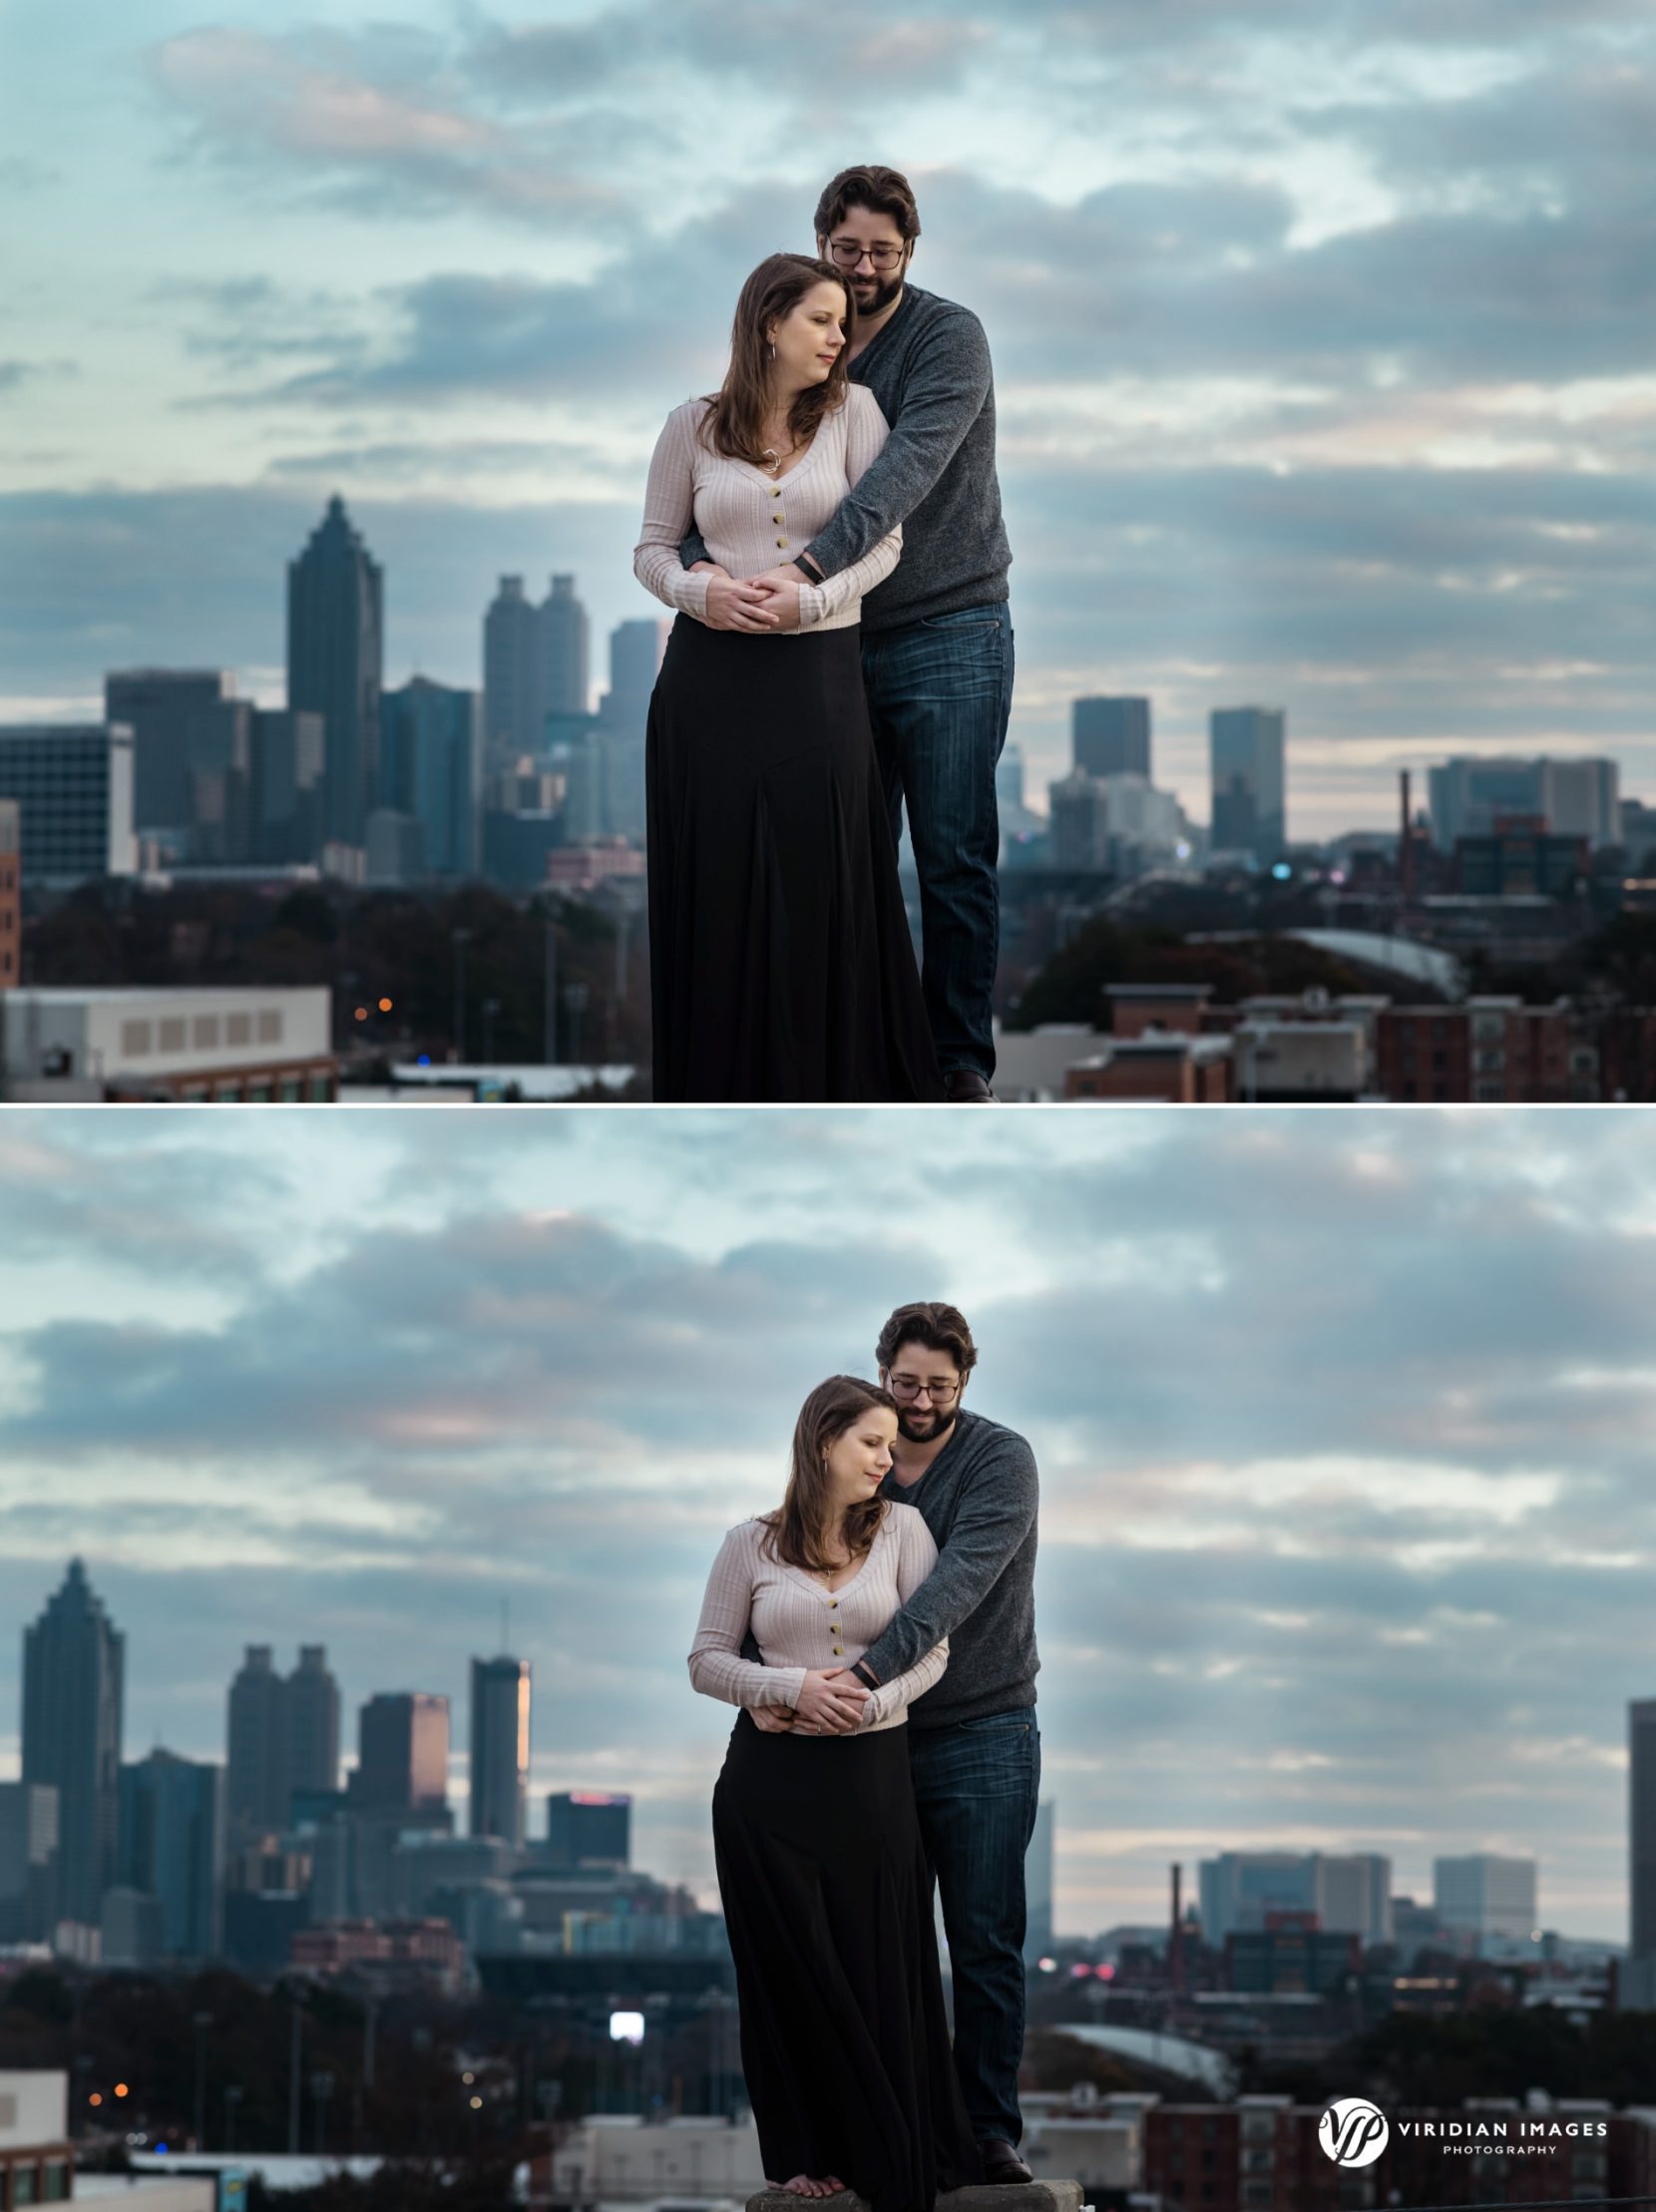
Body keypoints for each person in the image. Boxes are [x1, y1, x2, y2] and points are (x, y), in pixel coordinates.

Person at [684, 166, 1014, 1104]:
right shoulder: (803, 341)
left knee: (951, 856)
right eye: (846, 250)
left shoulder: (949, 339)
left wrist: (812, 572)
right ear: (820, 241)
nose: (862, 269)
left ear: (911, 251)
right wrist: (708, 565)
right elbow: (753, 468)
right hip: (827, 641)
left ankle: (955, 1066)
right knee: (844, 860)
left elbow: (903, 471)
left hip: (949, 619)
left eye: (882, 251)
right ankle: (862, 1056)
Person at [633, 252, 942, 1104]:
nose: (841, 336)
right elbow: (652, 548)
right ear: (771, 324)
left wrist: (811, 601)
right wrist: (701, 592)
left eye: (844, 322)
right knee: (720, 897)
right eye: (822, 319)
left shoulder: (858, 414)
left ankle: (839, 1092)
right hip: (708, 688)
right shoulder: (688, 426)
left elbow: (886, 542)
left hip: (820, 681)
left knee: (822, 892)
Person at [747, 1304, 1041, 2185]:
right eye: (905, 1381)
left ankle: (987, 2130)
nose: (918, 1402)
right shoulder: (858, 1455)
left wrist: (859, 1681)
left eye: (939, 1386)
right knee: (880, 1945)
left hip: (983, 1726)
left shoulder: (999, 1461)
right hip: (868, 1743)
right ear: (882, 1370)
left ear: (966, 1383)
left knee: (984, 1938)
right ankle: (892, 2128)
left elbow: (951, 1589)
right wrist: (783, 1688)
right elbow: (800, 1576)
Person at [688, 1375, 981, 2212]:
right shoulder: (749, 1542)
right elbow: (706, 1660)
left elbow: (934, 1651)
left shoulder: (906, 1531)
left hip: (872, 1783)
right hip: (766, 1793)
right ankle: (801, 2154)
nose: (889, 1460)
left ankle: (890, 2142)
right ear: (824, 1442)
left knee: (875, 1962)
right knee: (786, 1971)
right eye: (873, 1442)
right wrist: (787, 1687)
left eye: (893, 1445)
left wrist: (866, 1702)